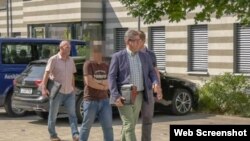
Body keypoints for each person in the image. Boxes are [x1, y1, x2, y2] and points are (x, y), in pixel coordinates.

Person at [108, 29, 162, 141]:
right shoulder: (118, 57)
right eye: (137, 40)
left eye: (140, 40)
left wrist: (155, 82)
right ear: (128, 41)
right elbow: (111, 77)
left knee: (130, 125)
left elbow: (152, 72)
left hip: (139, 95)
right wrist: (115, 95)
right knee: (128, 124)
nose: (140, 43)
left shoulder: (145, 56)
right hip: (124, 95)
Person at [41, 40, 79, 141]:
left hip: (69, 92)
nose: (69, 49)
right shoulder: (54, 59)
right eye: (67, 48)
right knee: (53, 115)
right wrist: (43, 87)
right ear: (61, 48)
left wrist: (73, 88)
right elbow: (47, 73)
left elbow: (72, 75)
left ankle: (75, 134)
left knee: (72, 114)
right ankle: (53, 135)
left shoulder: (71, 60)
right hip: (57, 92)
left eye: (70, 47)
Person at [79, 44, 114, 141]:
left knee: (108, 127)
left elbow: (110, 81)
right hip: (91, 100)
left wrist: (98, 82)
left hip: (104, 100)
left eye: (99, 52)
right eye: (95, 52)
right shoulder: (88, 64)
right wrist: (103, 86)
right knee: (86, 127)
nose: (97, 55)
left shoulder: (105, 65)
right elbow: (89, 82)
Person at [138, 31, 163, 141]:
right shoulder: (131, 53)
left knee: (148, 118)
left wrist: (159, 89)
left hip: (148, 90)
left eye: (137, 40)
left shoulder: (151, 54)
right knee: (131, 120)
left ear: (143, 41)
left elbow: (155, 71)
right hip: (135, 90)